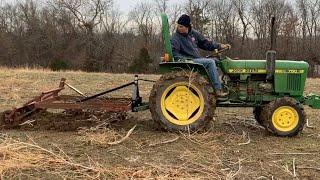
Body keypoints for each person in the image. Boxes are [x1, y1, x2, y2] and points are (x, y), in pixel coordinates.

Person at [171, 14, 230, 97]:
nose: (179, 28)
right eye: (178, 26)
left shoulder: (193, 33)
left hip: (196, 59)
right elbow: (175, 54)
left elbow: (206, 43)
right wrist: (186, 60)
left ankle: (221, 85)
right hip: (188, 61)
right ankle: (218, 89)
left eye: (181, 26)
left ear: (187, 26)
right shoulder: (175, 38)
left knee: (217, 61)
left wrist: (219, 46)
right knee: (210, 63)